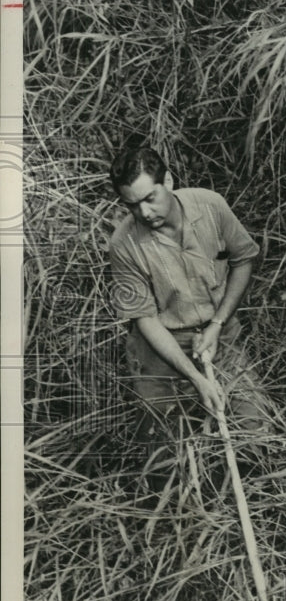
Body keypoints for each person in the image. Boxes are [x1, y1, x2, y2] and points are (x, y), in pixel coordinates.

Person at [108, 146, 263, 449]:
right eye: (132, 205)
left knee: (254, 428)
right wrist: (194, 376)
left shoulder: (211, 206)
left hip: (222, 333)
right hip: (162, 349)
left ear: (168, 182)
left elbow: (243, 259)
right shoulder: (123, 245)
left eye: (149, 199)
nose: (144, 213)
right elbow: (145, 319)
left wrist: (218, 323)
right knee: (166, 448)